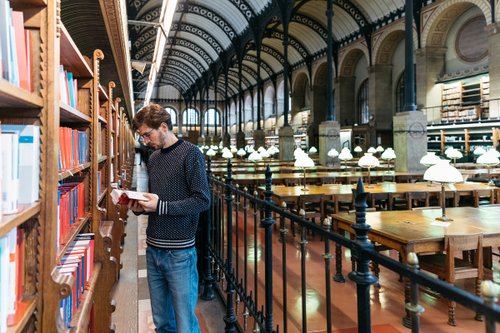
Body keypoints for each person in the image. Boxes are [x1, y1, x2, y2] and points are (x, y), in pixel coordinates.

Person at [128, 103, 210, 333]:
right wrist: (140, 206)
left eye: (147, 134)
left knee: (184, 324)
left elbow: (202, 200)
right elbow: (158, 201)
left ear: (163, 126)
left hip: (180, 253)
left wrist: (160, 206)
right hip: (153, 250)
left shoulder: (191, 154)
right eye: (142, 136)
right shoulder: (153, 158)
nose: (144, 141)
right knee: (162, 323)